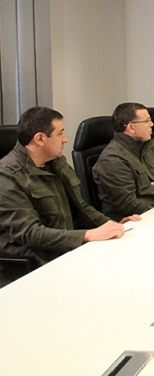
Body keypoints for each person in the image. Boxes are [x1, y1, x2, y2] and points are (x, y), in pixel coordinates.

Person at [0, 107, 137, 274]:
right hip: (36, 264)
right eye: (60, 134)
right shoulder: (7, 176)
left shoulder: (56, 162)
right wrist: (87, 235)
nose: (65, 140)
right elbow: (30, 233)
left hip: (67, 250)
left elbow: (81, 207)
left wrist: (112, 225)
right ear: (40, 139)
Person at [93, 102, 154, 219]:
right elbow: (128, 204)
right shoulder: (113, 159)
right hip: (134, 220)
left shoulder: (144, 148)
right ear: (131, 127)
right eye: (147, 121)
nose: (152, 124)